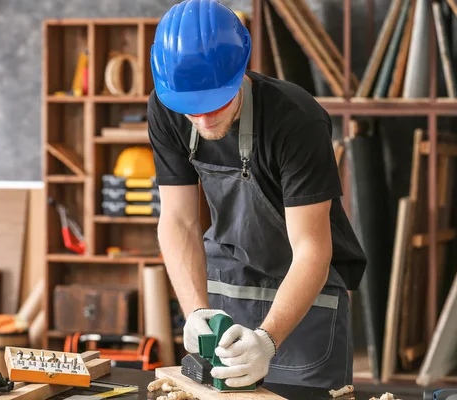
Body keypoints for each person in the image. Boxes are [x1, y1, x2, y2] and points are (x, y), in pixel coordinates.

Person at [147, 0, 366, 390]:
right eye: (189, 108)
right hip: (226, 293)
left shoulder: (296, 119)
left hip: (304, 302)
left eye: (216, 102)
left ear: (241, 70)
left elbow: (312, 246)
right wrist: (195, 311)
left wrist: (266, 340)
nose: (202, 118)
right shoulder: (166, 108)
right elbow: (178, 220)